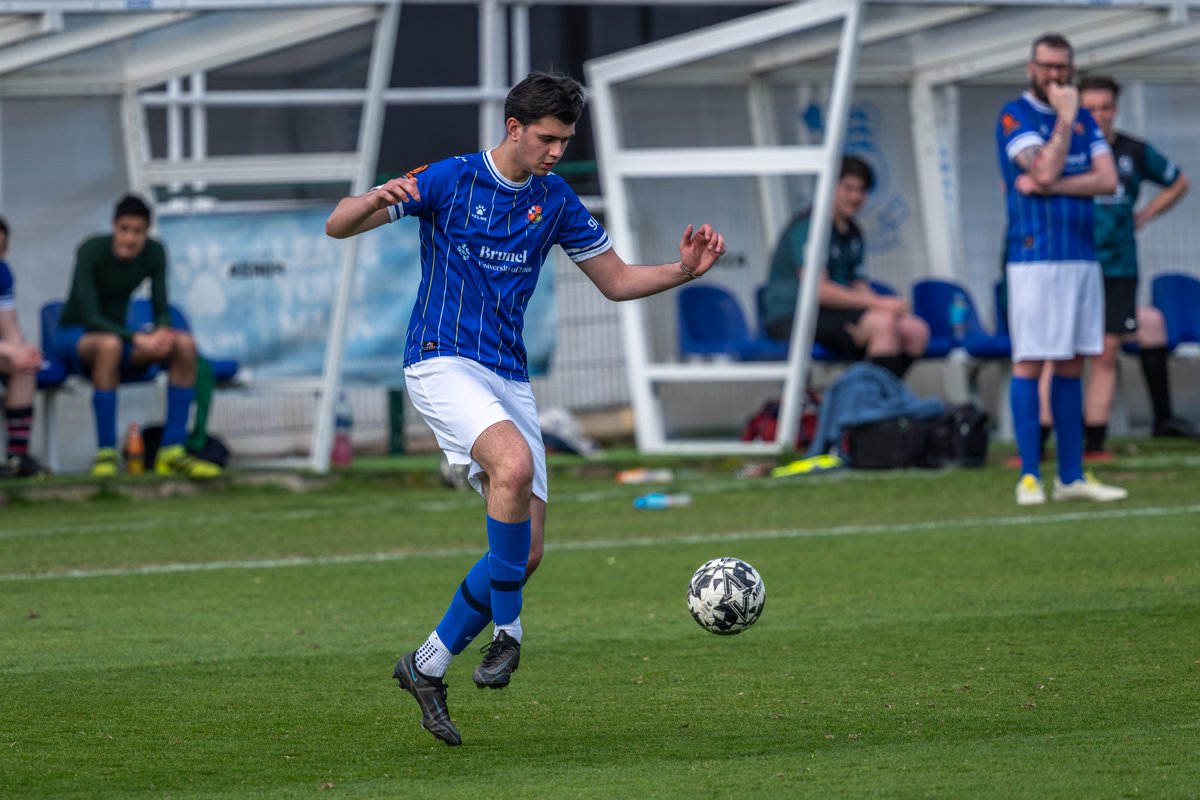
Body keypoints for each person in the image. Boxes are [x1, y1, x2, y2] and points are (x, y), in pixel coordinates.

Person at [324, 71, 726, 746]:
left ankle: (425, 665)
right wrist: (369, 201)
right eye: (546, 139)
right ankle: (508, 634)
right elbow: (338, 227)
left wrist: (682, 270)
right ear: (513, 128)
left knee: (527, 550)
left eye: (565, 141)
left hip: (507, 377)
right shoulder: (451, 179)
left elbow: (619, 280)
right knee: (510, 468)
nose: (554, 153)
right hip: (440, 358)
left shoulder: (556, 198)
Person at [997, 33, 1126, 505]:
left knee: (1073, 363)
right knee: (1030, 362)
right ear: (1031, 66)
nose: (1055, 75)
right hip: (1035, 259)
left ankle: (1071, 476)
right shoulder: (1016, 115)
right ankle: (1030, 475)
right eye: (1047, 66)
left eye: (1062, 67)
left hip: (1081, 256)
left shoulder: (1087, 118)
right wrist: (1066, 121)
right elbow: (1043, 170)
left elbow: (1107, 179)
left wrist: (1052, 185)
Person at [53, 195, 221, 479]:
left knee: (183, 343)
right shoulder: (91, 250)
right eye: (124, 229)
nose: (130, 238)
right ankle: (106, 453)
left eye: (138, 231)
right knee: (109, 344)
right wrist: (138, 338)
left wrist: (161, 332)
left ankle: (172, 451)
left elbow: (161, 304)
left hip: (121, 340)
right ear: (113, 226)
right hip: (77, 336)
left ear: (147, 232)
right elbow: (90, 314)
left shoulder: (155, 252)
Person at [1076, 74, 1195, 458]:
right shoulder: (1069, 151)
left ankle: (1096, 441)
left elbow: (1179, 182)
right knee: (1067, 354)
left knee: (1107, 351)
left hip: (1119, 268)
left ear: (1116, 109)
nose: (1099, 115)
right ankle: (1049, 436)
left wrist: (1145, 214)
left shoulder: (1134, 151)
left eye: (1105, 107)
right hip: (1073, 268)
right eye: (1090, 109)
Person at [762, 155, 928, 379]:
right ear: (830, 187)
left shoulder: (853, 231)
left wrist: (887, 307)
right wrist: (878, 303)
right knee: (882, 326)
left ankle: (882, 399)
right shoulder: (809, 227)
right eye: (849, 188)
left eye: (862, 190)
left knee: (915, 330)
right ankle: (877, 409)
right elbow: (819, 291)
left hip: (833, 314)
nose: (856, 197)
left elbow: (858, 285)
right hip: (795, 317)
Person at [0, 216, 48, 478]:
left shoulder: (3, 272)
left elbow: (8, 325)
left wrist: (24, 351)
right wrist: (10, 351)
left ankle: (16, 459)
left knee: (24, 368)